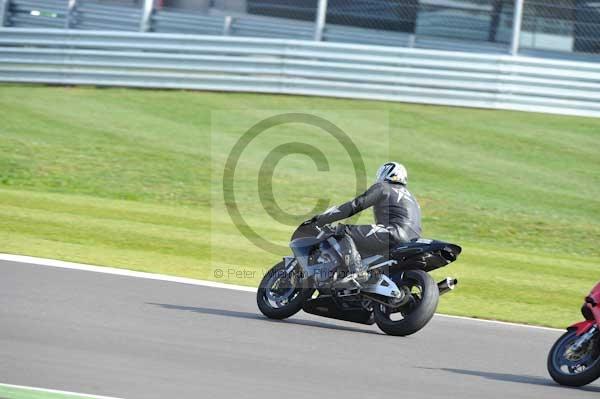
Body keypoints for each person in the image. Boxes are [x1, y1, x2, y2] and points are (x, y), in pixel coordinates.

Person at [304, 162, 422, 281]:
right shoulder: (412, 198)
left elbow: (356, 205)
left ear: (385, 173)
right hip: (412, 240)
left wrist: (322, 219)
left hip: (392, 232)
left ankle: (355, 272)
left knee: (343, 231)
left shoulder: (384, 187)